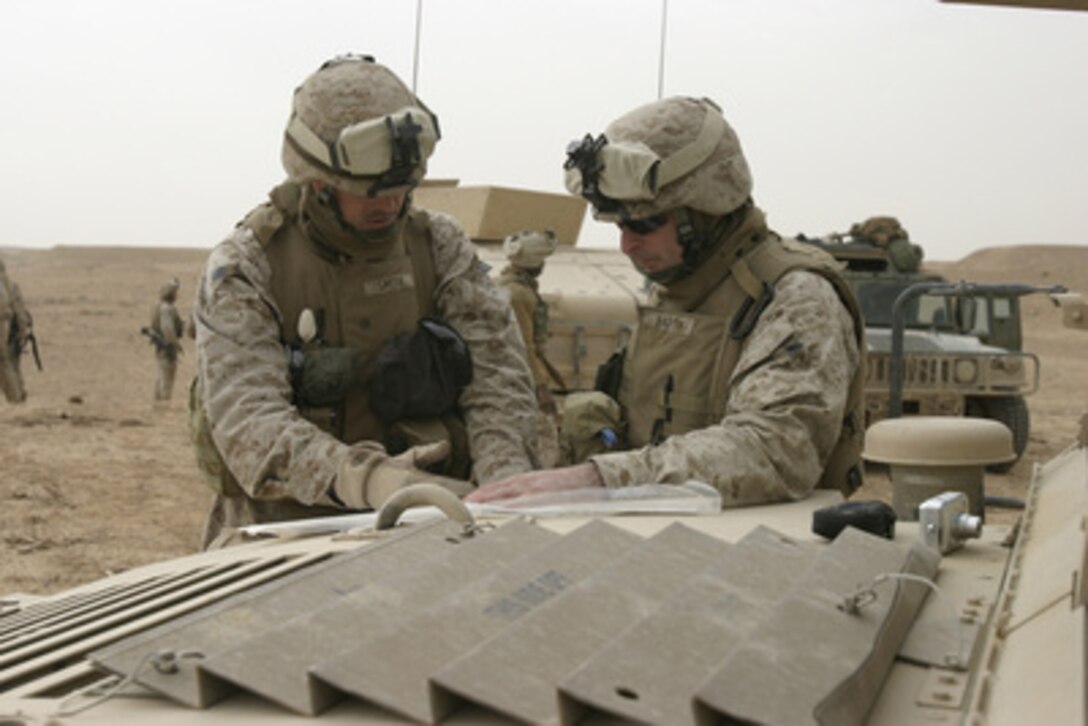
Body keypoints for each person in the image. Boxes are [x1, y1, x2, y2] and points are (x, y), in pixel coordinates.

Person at [191, 54, 539, 546]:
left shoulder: (439, 246)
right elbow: (251, 425)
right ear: (316, 180)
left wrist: (503, 487)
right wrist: (375, 481)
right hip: (289, 534)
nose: (389, 204)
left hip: (435, 527)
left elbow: (498, 384)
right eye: (369, 192)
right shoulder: (249, 264)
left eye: (402, 189)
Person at [468, 96, 866, 506]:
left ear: (706, 210)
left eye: (644, 224)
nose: (626, 245)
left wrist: (601, 479)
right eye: (620, 225)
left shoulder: (795, 296)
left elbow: (775, 450)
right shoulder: (678, 286)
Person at [498, 229, 562, 466]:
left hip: (511, 378)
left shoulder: (511, 287)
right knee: (543, 446)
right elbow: (524, 345)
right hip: (521, 382)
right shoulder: (517, 294)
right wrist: (541, 387)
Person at [145, 277, 185, 401]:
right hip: (166, 347)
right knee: (166, 377)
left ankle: (158, 402)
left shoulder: (159, 306)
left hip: (162, 346)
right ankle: (164, 403)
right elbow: (168, 329)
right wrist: (176, 344)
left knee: (161, 375)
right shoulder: (166, 309)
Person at [0, 258, 34, 404]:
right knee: (10, 361)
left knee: (3, 362)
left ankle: (15, 400)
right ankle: (19, 397)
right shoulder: (8, 283)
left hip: (4, 323)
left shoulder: (4, 284)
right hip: (11, 326)